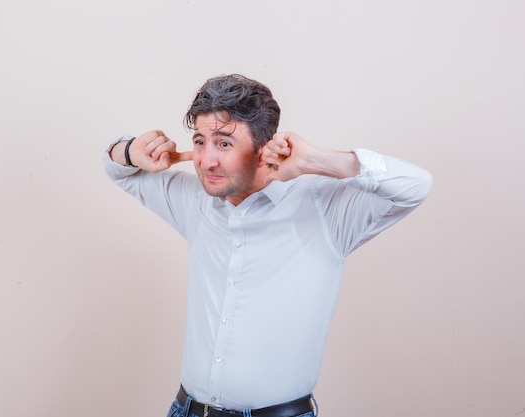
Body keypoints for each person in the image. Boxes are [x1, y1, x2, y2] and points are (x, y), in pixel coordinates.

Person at [103, 74, 432, 417]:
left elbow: (416, 186)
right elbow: (116, 168)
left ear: (262, 148)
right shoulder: (195, 202)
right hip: (187, 410)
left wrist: (314, 160)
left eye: (224, 143)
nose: (206, 160)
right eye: (200, 141)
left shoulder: (324, 210)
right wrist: (129, 150)